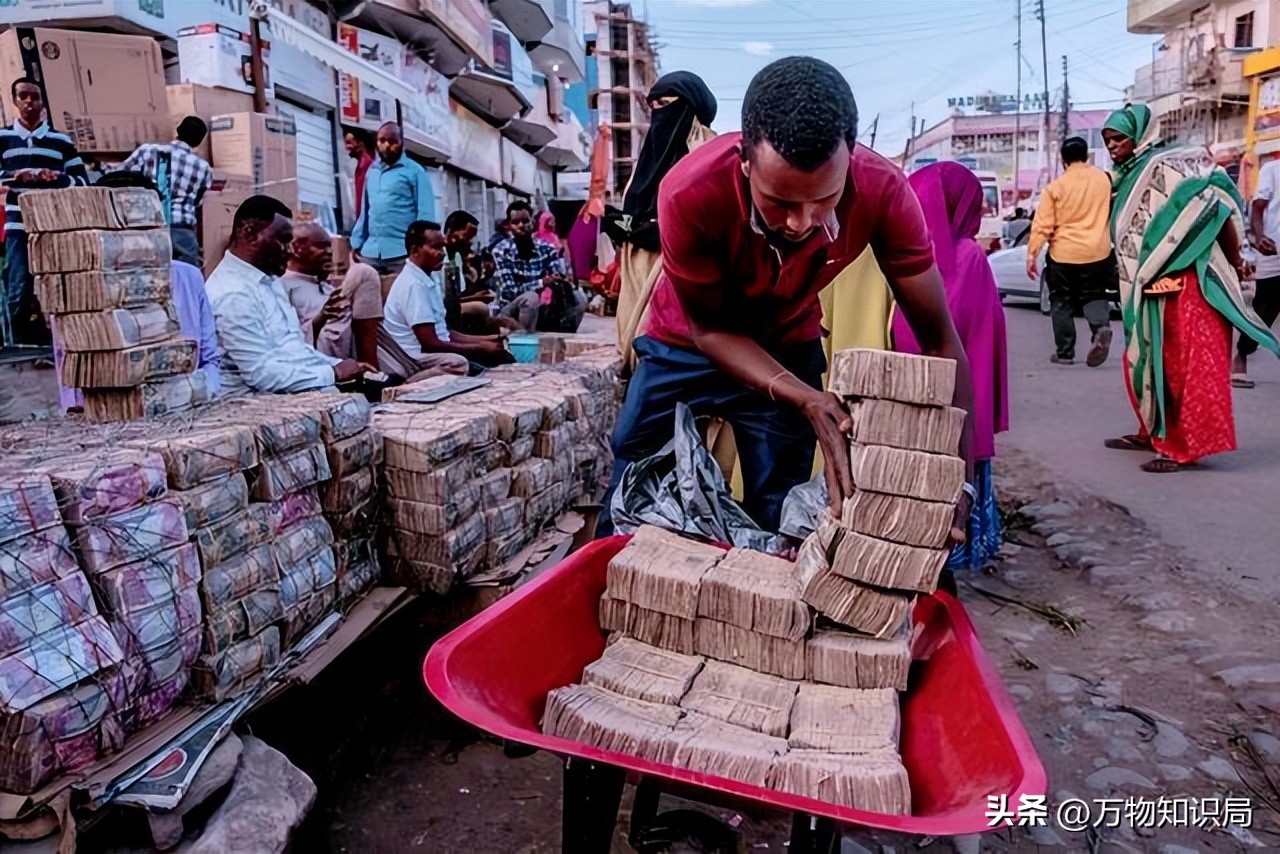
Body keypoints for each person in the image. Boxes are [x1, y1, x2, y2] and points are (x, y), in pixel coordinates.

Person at [598, 56, 975, 538]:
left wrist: (959, 480)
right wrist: (806, 398)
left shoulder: (884, 191)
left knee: (780, 512)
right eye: (780, 202)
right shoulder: (689, 190)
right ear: (744, 160)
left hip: (786, 341)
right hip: (685, 341)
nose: (802, 223)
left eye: (825, 200)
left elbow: (940, 342)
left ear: (851, 157)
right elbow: (710, 330)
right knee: (633, 489)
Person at [1101, 104, 1279, 473]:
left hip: (1189, 288)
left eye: (1119, 138)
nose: (1113, 146)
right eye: (1108, 140)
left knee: (1181, 368)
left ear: (1140, 136)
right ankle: (1151, 431)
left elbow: (1215, 208)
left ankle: (1180, 448)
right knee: (1145, 358)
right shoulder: (1127, 176)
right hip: (1147, 287)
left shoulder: (1170, 166)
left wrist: (1236, 261)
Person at [892, 163, 1009, 572]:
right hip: (960, 395)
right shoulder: (970, 256)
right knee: (959, 470)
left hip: (910, 398)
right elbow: (985, 334)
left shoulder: (902, 257)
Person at [205, 195, 373, 393]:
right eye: (283, 241)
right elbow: (262, 375)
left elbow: (294, 351)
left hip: (289, 388)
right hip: (255, 399)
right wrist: (333, 373)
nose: (290, 251)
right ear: (250, 235)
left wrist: (339, 365)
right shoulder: (232, 294)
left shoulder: (268, 279)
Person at [612, 71, 718, 373]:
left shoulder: (709, 157)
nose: (658, 113)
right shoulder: (648, 160)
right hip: (641, 269)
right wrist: (621, 225)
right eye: (653, 106)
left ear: (689, 106)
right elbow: (636, 215)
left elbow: (711, 220)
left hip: (681, 278)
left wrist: (665, 231)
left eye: (664, 104)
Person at [0, 77, 89, 345]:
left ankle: (56, 345)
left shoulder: (60, 141)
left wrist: (58, 178)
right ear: (15, 101)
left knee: (58, 286)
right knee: (19, 287)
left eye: (35, 97)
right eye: (23, 96)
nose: (30, 102)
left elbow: (82, 182)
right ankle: (21, 347)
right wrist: (15, 177)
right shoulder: (3, 138)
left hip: (54, 225)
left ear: (43, 103)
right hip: (18, 223)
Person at [381, 220, 513, 378]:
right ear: (415, 250)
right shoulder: (413, 284)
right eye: (436, 247)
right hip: (414, 358)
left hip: (431, 351)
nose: (442, 253)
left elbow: (445, 333)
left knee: (493, 360)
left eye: (442, 247)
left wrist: (487, 340)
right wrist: (481, 347)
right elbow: (430, 344)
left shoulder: (428, 277)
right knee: (459, 362)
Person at [1027, 136, 1115, 367]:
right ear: (1086, 156)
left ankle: (1065, 353)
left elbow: (1043, 225)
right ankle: (1101, 328)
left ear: (1063, 160)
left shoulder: (1055, 188)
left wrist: (1032, 254)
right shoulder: (1104, 180)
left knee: (1061, 301)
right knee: (1095, 295)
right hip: (1098, 252)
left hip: (1063, 254)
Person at [119, 116, 214, 268]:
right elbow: (198, 200)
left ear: (178, 131)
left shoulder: (148, 151)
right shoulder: (204, 168)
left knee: (148, 274)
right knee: (186, 276)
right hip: (183, 232)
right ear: (198, 142)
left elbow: (120, 176)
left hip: (149, 225)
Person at [351, 122, 435, 275]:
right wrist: (356, 243)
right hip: (370, 253)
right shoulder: (372, 171)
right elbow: (365, 212)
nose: (386, 146)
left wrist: (419, 249)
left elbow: (425, 215)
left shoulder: (415, 171)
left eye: (392, 141)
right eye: (382, 141)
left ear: (401, 142)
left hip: (402, 254)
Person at [491, 199, 586, 332]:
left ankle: (563, 334)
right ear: (509, 226)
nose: (521, 226)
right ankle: (524, 338)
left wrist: (559, 282)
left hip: (540, 308)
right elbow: (509, 292)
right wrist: (541, 283)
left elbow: (557, 275)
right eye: (515, 222)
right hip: (510, 310)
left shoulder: (547, 248)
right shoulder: (501, 250)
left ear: (533, 222)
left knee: (580, 298)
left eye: (525, 221)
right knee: (531, 298)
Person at [1232, 156, 1280, 388]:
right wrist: (1259, 237)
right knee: (1265, 309)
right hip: (1273, 248)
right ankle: (1241, 354)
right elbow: (1258, 207)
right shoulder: (1273, 169)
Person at [282, 221, 353, 358]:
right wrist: (319, 320)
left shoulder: (327, 287)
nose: (329, 252)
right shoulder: (283, 288)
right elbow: (286, 341)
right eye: (320, 246)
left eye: (329, 246)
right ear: (296, 248)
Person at [343, 127, 375, 219]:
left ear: (361, 143)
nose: (347, 147)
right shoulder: (360, 167)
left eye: (349, 143)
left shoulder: (370, 167)